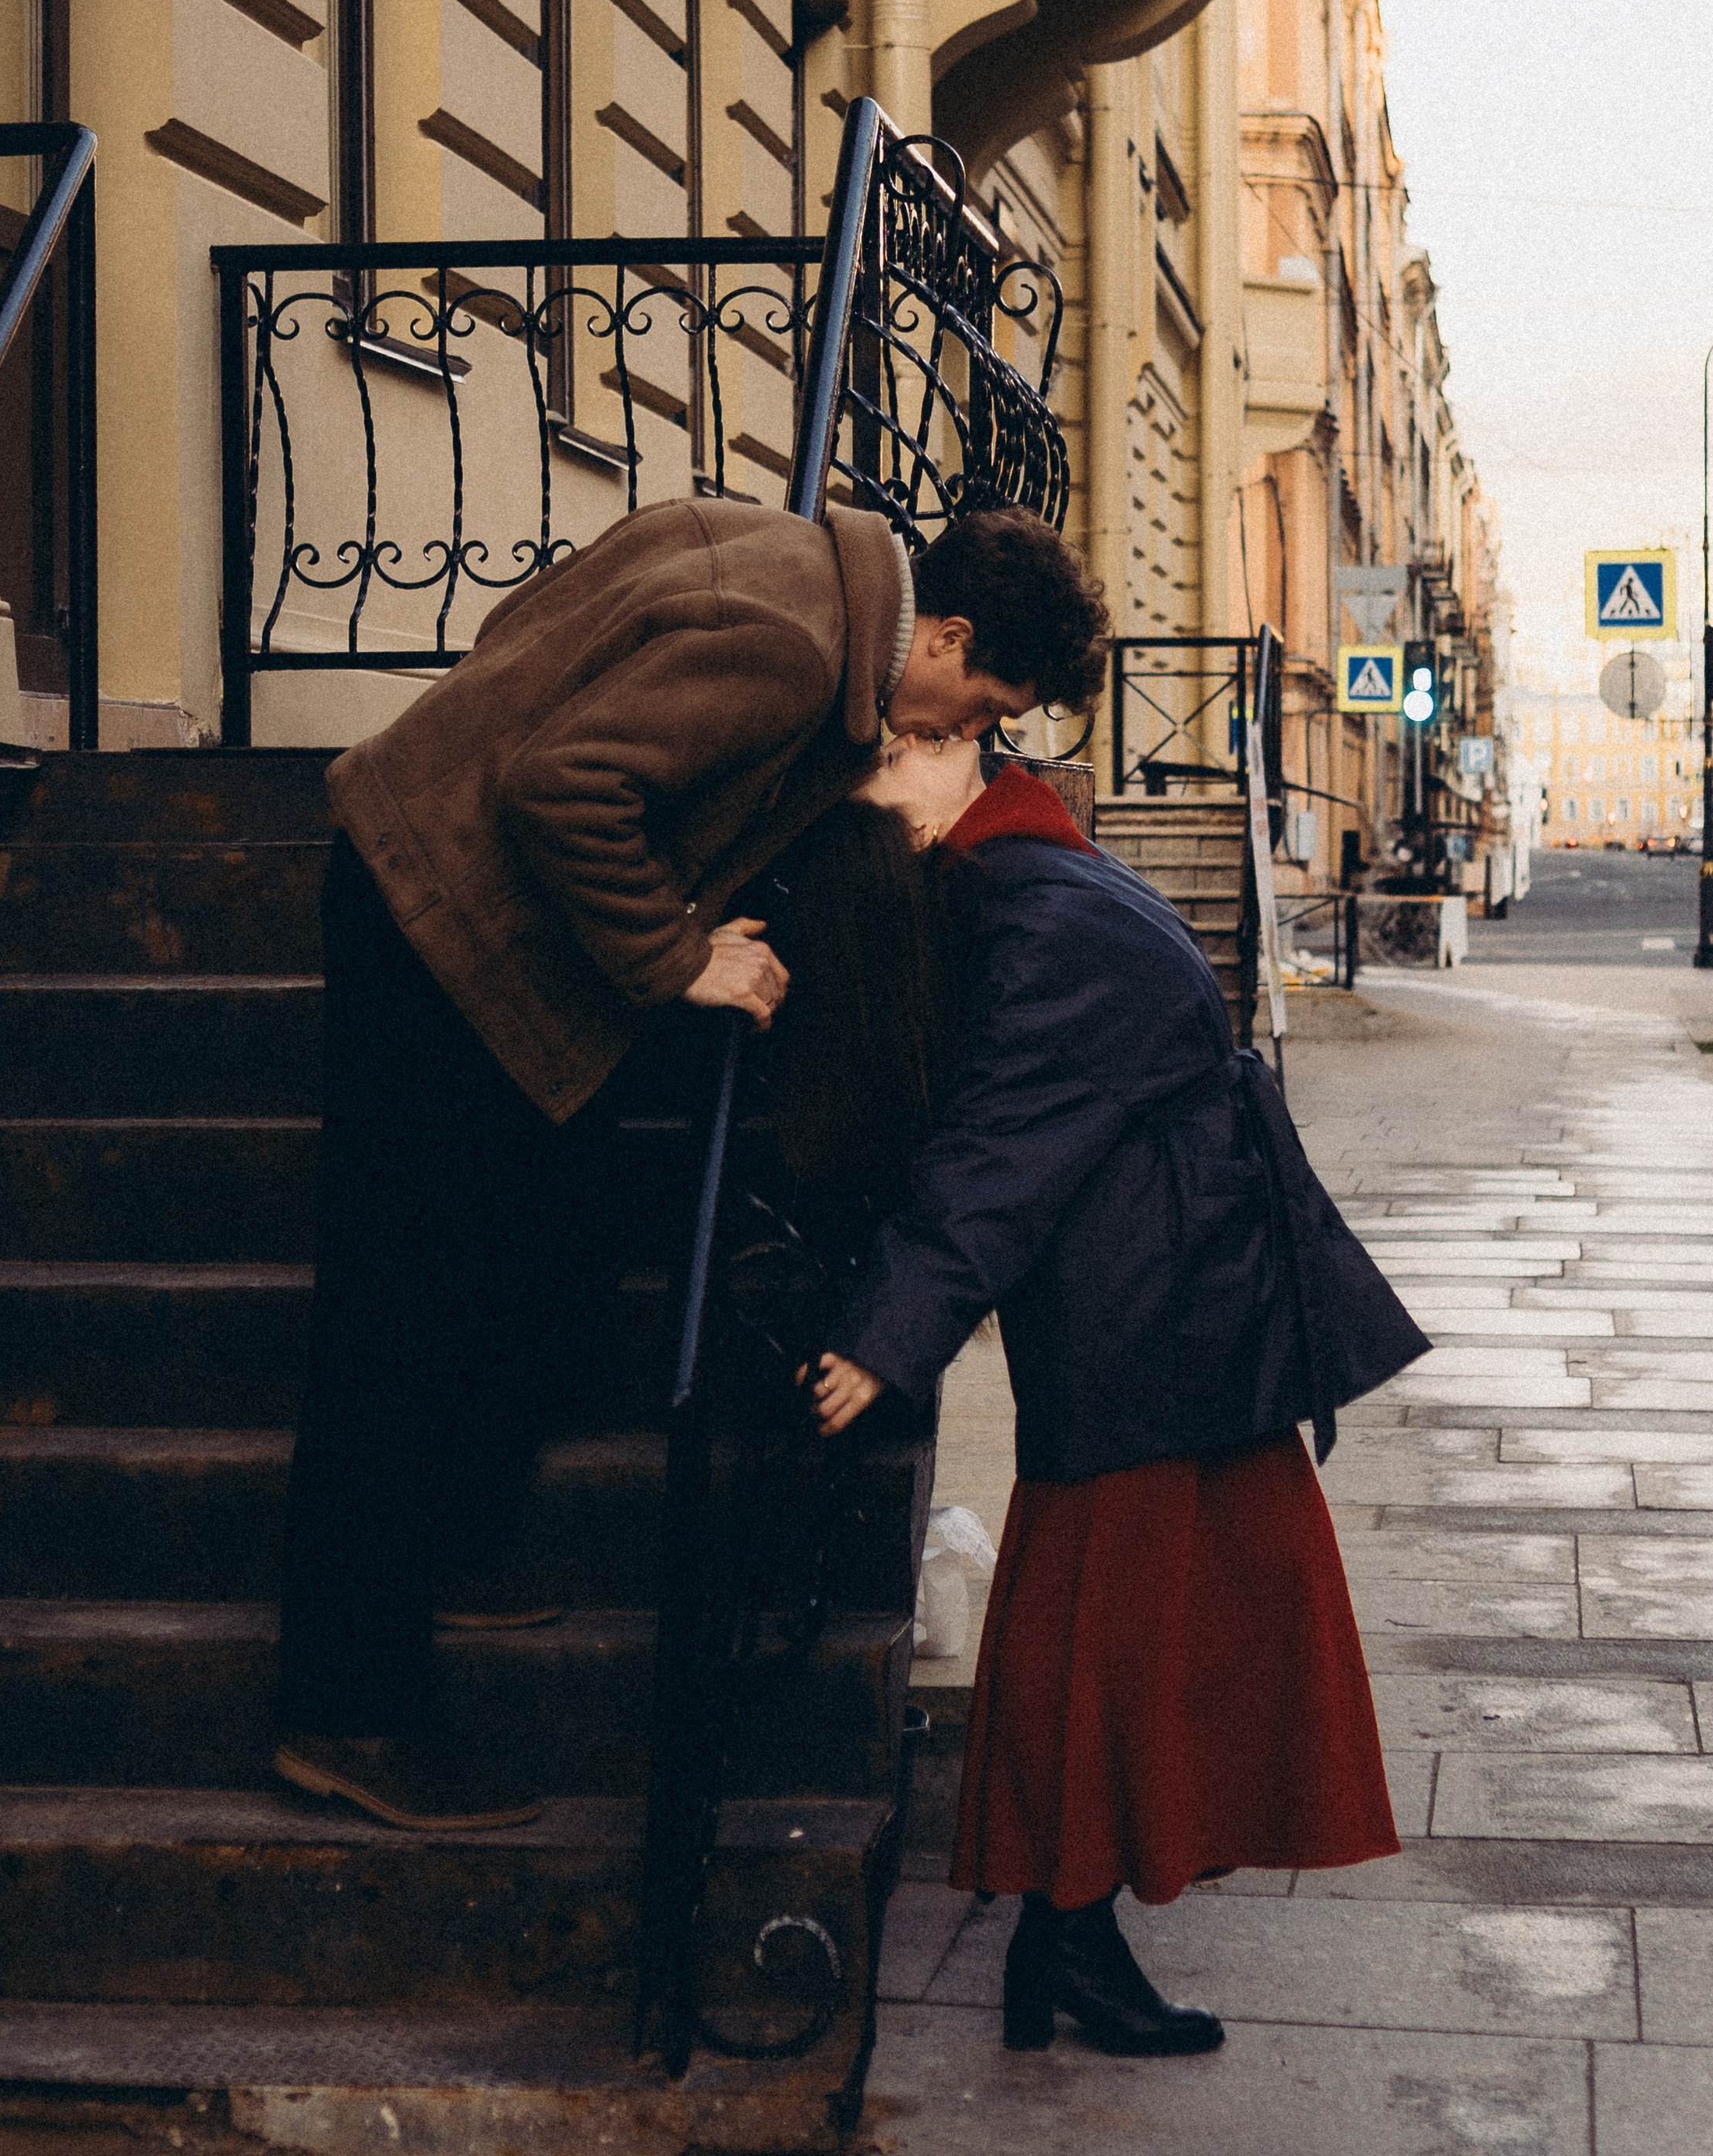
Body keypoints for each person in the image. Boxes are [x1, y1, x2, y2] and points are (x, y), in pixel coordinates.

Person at [271, 497, 1107, 1831]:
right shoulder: (792, 652)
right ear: (946, 635)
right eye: (981, 708)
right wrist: (676, 956)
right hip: (435, 926)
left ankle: (447, 1544)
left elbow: (531, 636)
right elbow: (562, 786)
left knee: (549, 1225)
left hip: (423, 880)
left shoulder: (776, 551)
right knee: (401, 1311)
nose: (963, 736)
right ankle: (348, 1709)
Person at [794, 741, 1412, 2060]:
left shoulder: (1035, 909)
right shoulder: (1028, 874)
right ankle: (1066, 1934)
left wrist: (891, 1332)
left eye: (892, 754)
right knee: (1120, 1624)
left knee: (1132, 1623)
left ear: (957, 761)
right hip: (1162, 1292)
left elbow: (1000, 1145)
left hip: (1161, 1301)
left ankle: (1065, 1932)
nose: (876, 781)